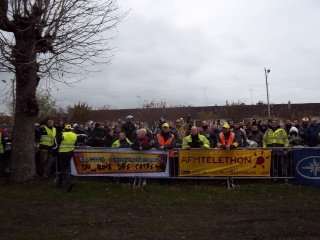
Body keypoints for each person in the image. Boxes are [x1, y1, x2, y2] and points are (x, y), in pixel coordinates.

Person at [55, 124, 77, 191]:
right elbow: (75, 143)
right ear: (71, 129)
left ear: (64, 129)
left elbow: (56, 144)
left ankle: (69, 182)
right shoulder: (74, 135)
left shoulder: (62, 134)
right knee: (65, 167)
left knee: (63, 168)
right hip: (70, 153)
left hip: (62, 153)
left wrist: (54, 151)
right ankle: (59, 183)